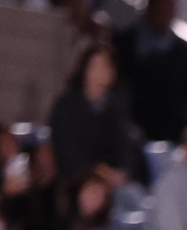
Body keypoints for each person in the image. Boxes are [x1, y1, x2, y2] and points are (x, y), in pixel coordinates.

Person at [49, 43, 140, 191]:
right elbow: (67, 154)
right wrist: (98, 173)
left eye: (106, 67)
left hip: (112, 182)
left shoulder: (116, 108)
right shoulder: (66, 107)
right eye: (94, 67)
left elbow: (125, 148)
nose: (100, 73)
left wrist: (121, 171)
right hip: (76, 182)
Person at [115, 0, 187, 145]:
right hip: (126, 125)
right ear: (149, 10)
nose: (164, 16)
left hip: (169, 131)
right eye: (160, 10)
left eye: (169, 12)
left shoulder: (182, 54)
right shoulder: (123, 43)